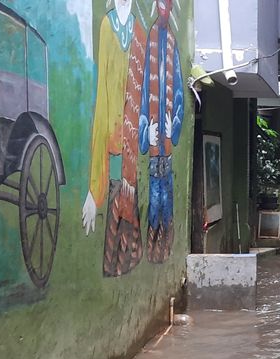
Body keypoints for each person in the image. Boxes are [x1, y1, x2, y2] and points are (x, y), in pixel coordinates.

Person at [82, 0, 147, 277]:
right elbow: (102, 101)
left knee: (130, 244)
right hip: (114, 151)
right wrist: (93, 190)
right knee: (113, 252)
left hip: (133, 155)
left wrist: (144, 130)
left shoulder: (140, 34)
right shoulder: (107, 26)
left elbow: (145, 98)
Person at [140, 0, 184, 263]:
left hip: (166, 136)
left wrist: (174, 126)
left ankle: (164, 244)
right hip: (154, 134)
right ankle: (152, 243)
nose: (164, 8)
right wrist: (147, 130)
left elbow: (178, 88)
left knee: (166, 193)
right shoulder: (151, 39)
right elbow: (145, 88)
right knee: (155, 193)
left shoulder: (173, 44)